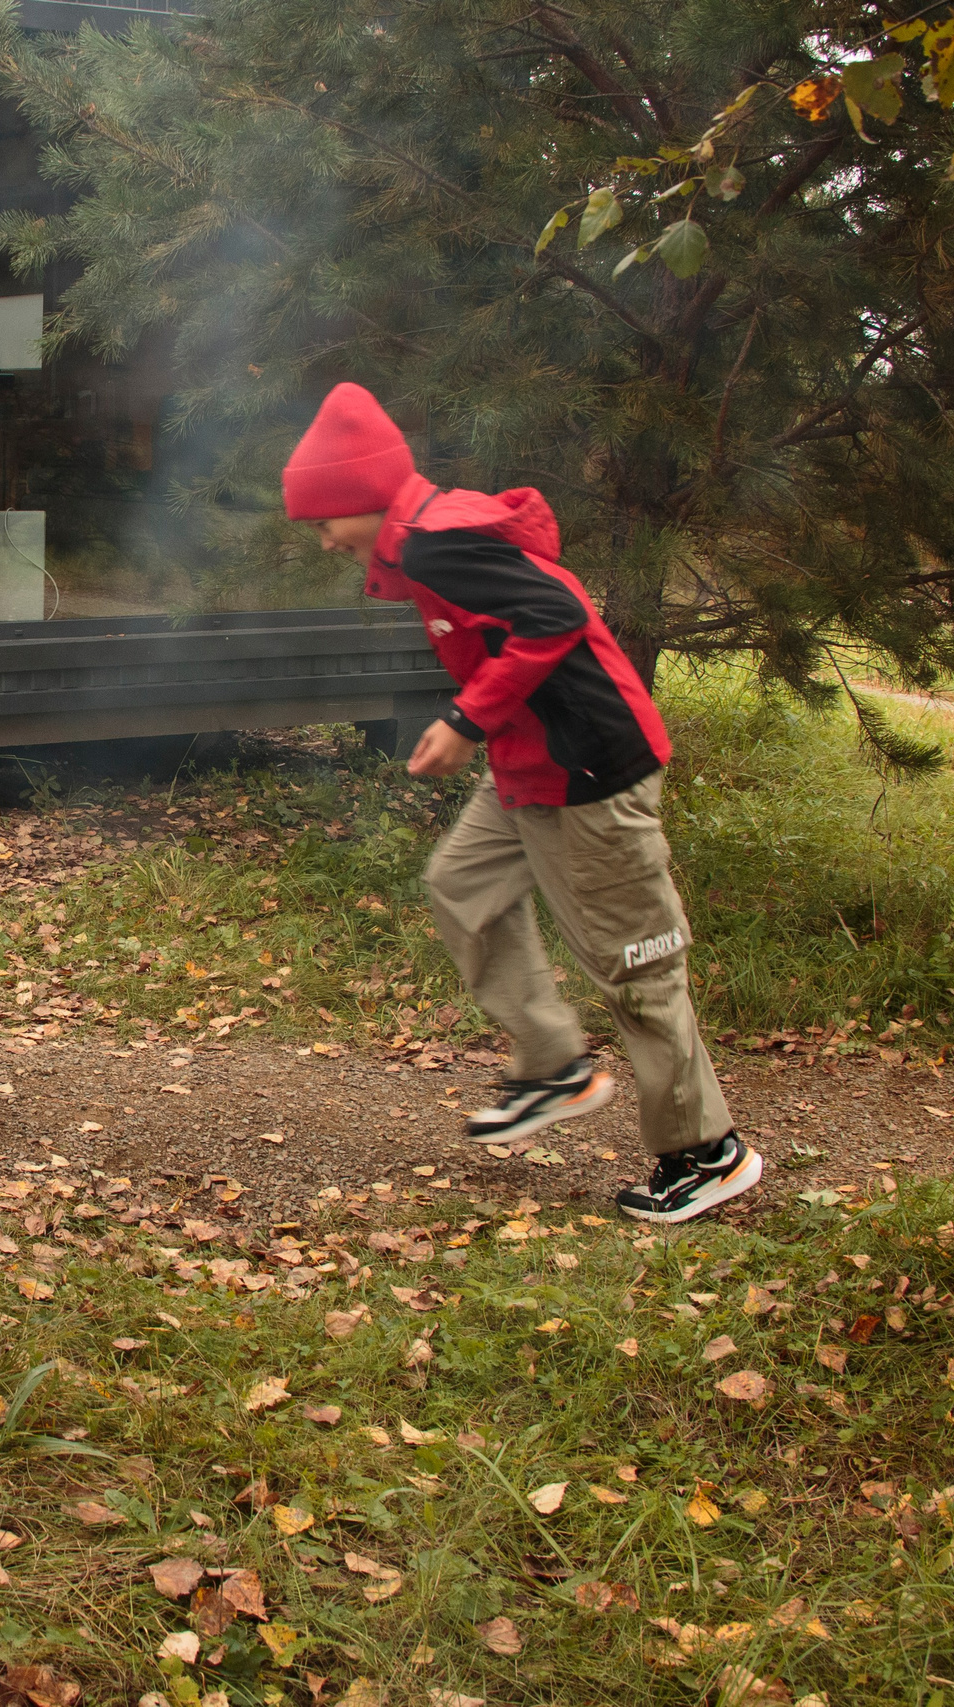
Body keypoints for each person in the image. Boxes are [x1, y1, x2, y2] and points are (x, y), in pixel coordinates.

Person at [285, 383, 760, 1225]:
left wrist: (466, 719)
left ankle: (706, 1151)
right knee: (462, 883)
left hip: (591, 768)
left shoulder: (434, 541)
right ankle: (552, 1064)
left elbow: (560, 612)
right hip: (529, 763)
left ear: (359, 496)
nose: (323, 538)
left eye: (323, 519)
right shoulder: (419, 544)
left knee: (636, 964)